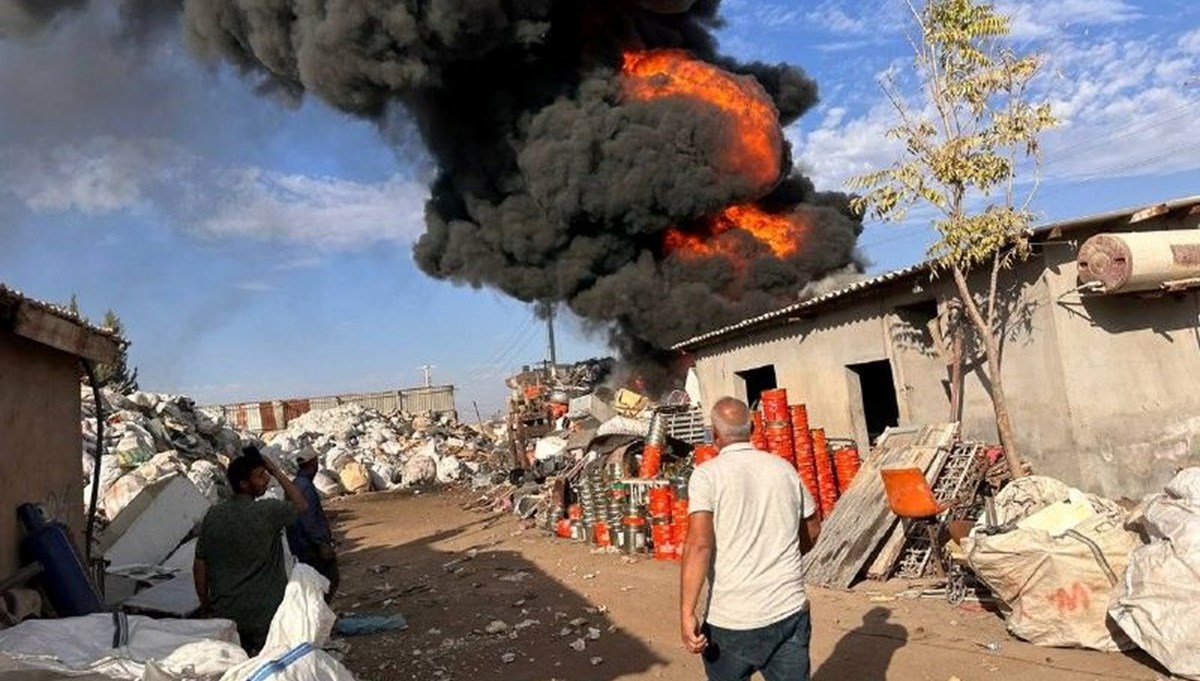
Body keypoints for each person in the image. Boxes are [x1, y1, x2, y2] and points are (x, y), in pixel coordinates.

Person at [680, 396, 822, 681]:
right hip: (788, 612)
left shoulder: (707, 476)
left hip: (732, 621)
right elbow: (813, 526)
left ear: (715, 435)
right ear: (753, 428)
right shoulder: (783, 469)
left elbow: (699, 545)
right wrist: (786, 553)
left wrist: (686, 611)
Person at [194, 446, 307, 654]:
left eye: (266, 475)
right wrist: (275, 470)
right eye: (260, 476)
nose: (265, 480)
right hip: (267, 613)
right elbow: (300, 505)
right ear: (244, 484)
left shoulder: (213, 516)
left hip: (228, 613)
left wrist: (205, 605)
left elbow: (200, 564)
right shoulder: (267, 511)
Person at [286, 446, 339, 602]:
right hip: (310, 547)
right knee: (328, 580)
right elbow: (309, 519)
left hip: (299, 545)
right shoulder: (306, 487)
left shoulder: (296, 484)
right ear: (314, 463)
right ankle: (321, 614)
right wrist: (321, 543)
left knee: (314, 584)